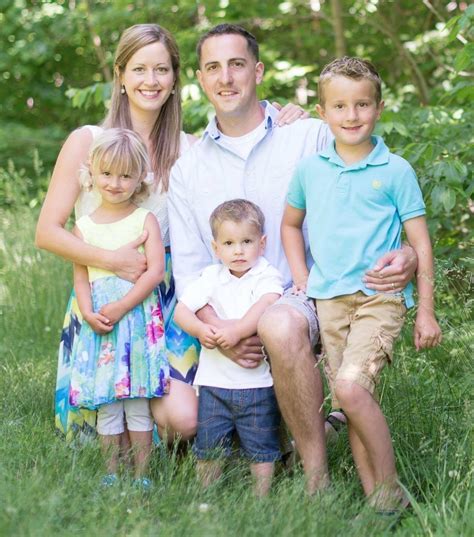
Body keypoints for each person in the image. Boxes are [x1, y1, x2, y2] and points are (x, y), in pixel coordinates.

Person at [168, 23, 418, 494]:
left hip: (313, 296)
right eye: (213, 68)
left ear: (258, 71)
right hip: (229, 314)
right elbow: (188, 267)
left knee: (279, 322)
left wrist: (407, 252)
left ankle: (313, 480)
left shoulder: (308, 135)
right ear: (200, 79)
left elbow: (377, 195)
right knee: (267, 328)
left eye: (237, 64)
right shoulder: (189, 169)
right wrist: (223, 332)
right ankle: (297, 447)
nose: (226, 78)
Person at [35, 23, 306, 444]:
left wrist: (291, 115)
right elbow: (47, 233)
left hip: (168, 299)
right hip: (103, 293)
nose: (151, 81)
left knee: (187, 419)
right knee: (110, 422)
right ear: (120, 75)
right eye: (139, 69)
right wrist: (111, 260)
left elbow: (241, 199)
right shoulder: (88, 141)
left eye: (161, 70)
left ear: (176, 80)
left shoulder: (190, 149)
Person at [281, 57, 442, 511]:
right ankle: (380, 505)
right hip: (329, 300)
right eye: (340, 106)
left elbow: (421, 244)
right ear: (323, 111)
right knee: (353, 401)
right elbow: (291, 224)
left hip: (380, 297)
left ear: (379, 107)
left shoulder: (396, 170)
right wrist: (302, 276)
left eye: (362, 104)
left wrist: (425, 310)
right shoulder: (311, 169)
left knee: (351, 388)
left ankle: (391, 487)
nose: (352, 116)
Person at [70, 128, 169, 488]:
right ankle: (112, 474)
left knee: (138, 404)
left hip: (136, 320)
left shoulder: (145, 220)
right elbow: (82, 278)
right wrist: (89, 313)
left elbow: (155, 271)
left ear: (139, 177)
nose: (115, 183)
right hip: (101, 323)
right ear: (92, 173)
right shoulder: (82, 228)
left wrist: (123, 304)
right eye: (107, 173)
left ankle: (142, 475)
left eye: (126, 175)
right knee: (109, 405)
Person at [174, 199, 283, 497]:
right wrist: (200, 330)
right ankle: (206, 493)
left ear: (262, 243)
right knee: (209, 446)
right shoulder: (211, 277)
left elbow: (266, 305)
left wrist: (235, 330)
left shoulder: (266, 275)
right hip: (213, 384)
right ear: (216, 247)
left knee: (261, 445)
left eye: (246, 241)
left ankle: (261, 497)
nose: (238, 250)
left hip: (257, 384)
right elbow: (181, 311)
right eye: (229, 243)